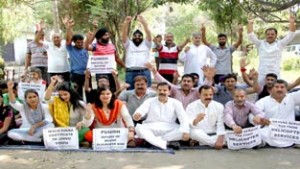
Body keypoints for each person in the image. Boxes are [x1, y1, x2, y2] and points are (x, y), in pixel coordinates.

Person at [133, 82, 190, 150]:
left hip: (169, 128)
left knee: (185, 131)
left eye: (164, 90)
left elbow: (183, 117)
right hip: (151, 127)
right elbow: (141, 110)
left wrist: (186, 131)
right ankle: (166, 143)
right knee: (139, 128)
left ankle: (152, 141)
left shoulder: (176, 103)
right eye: (159, 90)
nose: (162, 92)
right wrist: (137, 115)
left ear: (169, 92)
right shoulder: (150, 101)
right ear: (156, 91)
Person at [44, 76, 94, 143]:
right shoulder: (56, 101)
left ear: (71, 93)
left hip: (75, 130)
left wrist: (84, 120)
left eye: (65, 94)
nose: (63, 97)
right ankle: (75, 142)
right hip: (61, 131)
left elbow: (88, 123)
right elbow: (47, 99)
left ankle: (72, 141)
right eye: (60, 95)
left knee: (86, 131)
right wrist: (52, 83)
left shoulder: (80, 104)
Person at [247, 15, 296, 84]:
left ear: (276, 35)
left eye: (272, 34)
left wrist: (292, 22)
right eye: (268, 34)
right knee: (260, 92)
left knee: (277, 91)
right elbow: (250, 35)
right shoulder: (260, 44)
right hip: (262, 73)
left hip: (275, 73)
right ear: (265, 35)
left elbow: (291, 34)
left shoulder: (280, 44)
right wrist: (250, 23)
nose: (270, 36)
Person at [252, 79, 300, 147]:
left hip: (289, 132)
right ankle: (262, 142)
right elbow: (254, 112)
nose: (279, 89)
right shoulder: (264, 101)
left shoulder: (292, 97)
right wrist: (257, 118)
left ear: (286, 89)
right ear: (271, 89)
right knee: (256, 133)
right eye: (277, 87)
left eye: (282, 87)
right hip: (270, 130)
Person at [146, 62, 214, 109]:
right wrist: (154, 72)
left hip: (192, 117)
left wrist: (209, 77)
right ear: (181, 82)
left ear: (193, 83)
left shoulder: (197, 91)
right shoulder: (175, 90)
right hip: (176, 118)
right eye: (184, 81)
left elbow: (205, 87)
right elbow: (164, 82)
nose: (186, 83)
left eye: (188, 81)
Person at [85, 23, 125, 89]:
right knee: (102, 90)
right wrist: (88, 38)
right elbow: (86, 47)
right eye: (105, 35)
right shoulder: (95, 46)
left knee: (114, 90)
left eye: (108, 34)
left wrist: (125, 67)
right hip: (101, 73)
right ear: (100, 37)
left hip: (112, 72)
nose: (108, 36)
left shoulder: (112, 46)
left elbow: (117, 58)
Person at [186, 85, 225, 149]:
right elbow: (188, 123)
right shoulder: (191, 106)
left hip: (214, 132)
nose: (208, 97)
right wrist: (196, 120)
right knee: (192, 132)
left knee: (229, 134)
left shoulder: (219, 106)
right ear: (199, 95)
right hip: (198, 131)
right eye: (205, 95)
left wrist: (220, 137)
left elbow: (220, 123)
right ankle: (215, 143)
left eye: (210, 95)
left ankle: (199, 142)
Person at [122, 15, 152, 89]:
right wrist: (126, 23)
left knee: (146, 92)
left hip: (144, 71)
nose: (137, 37)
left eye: (139, 36)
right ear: (132, 37)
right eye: (135, 36)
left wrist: (143, 22)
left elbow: (148, 33)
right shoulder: (128, 44)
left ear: (142, 37)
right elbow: (124, 35)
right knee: (130, 92)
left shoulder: (146, 44)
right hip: (131, 72)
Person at [64, 16, 89, 97]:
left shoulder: (85, 48)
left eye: (81, 42)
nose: (80, 44)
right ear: (74, 42)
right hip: (75, 75)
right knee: (77, 95)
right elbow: (68, 39)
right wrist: (68, 28)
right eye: (78, 42)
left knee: (89, 92)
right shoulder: (71, 48)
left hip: (86, 74)